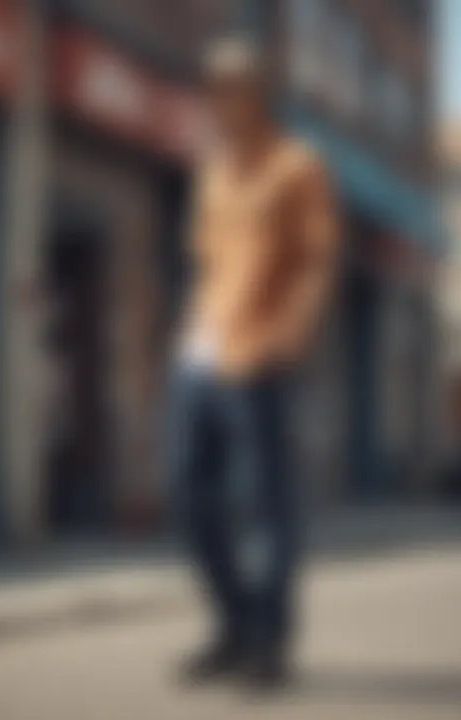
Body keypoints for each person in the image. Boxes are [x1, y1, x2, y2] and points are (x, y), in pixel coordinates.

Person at [167, 37, 340, 688]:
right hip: (200, 356)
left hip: (259, 353)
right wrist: (189, 332)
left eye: (229, 88)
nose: (216, 101)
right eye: (209, 90)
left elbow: (319, 259)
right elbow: (206, 260)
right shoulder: (213, 169)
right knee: (188, 495)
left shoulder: (298, 165)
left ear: (257, 95)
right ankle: (233, 624)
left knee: (265, 506)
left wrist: (289, 336)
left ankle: (268, 643)